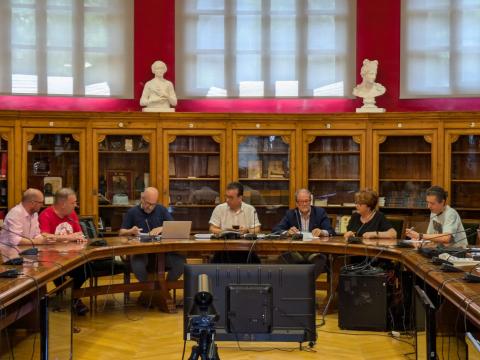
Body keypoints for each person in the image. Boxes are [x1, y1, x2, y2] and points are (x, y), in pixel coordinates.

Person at [38, 188, 90, 315]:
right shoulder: (45, 215)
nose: (76, 206)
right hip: (52, 258)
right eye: (73, 203)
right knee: (60, 273)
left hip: (72, 256)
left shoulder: (71, 215)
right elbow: (44, 236)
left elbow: (78, 234)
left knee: (87, 268)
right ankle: (73, 300)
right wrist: (68, 237)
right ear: (63, 204)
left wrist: (79, 239)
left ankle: (68, 298)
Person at [119, 187, 186, 283]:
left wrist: (161, 228)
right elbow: (121, 232)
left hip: (163, 252)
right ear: (142, 199)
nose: (150, 207)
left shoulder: (161, 209)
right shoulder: (132, 212)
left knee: (180, 264)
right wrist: (130, 231)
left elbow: (173, 226)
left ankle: (165, 288)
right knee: (138, 267)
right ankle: (149, 288)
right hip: (141, 252)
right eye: (148, 204)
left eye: (153, 204)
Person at [272, 189, 335, 278]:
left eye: (306, 201)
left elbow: (331, 231)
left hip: (315, 252)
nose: (304, 204)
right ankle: (294, 287)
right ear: (297, 203)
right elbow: (276, 230)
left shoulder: (320, 212)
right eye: (301, 202)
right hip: (296, 252)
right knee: (283, 258)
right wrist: (287, 232)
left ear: (310, 201)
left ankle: (306, 286)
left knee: (321, 259)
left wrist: (322, 232)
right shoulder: (290, 214)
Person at [209, 182, 261, 263]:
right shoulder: (219, 208)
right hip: (223, 249)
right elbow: (212, 228)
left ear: (240, 198)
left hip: (245, 249)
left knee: (255, 263)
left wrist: (247, 230)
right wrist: (225, 232)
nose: (227, 200)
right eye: (226, 197)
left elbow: (257, 229)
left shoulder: (250, 209)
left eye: (231, 197)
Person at [0, 189, 47, 262]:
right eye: (41, 202)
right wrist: (38, 241)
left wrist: (45, 240)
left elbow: (36, 234)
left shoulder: (34, 214)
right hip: (9, 257)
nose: (42, 205)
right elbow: (15, 240)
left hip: (26, 252)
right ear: (32, 203)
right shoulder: (15, 213)